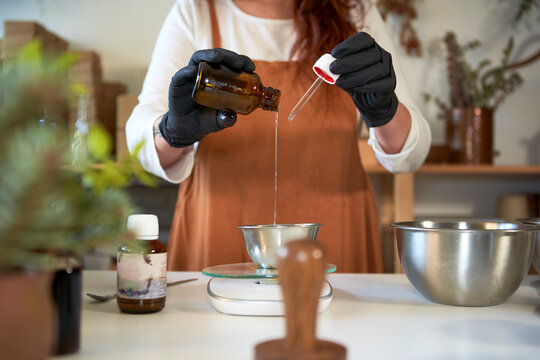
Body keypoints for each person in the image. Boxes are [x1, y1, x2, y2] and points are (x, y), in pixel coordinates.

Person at [126, 0, 431, 273]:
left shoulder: (354, 12)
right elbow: (141, 144)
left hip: (335, 237)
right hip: (218, 235)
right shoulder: (196, 12)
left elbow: (410, 154)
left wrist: (384, 110)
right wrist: (174, 132)